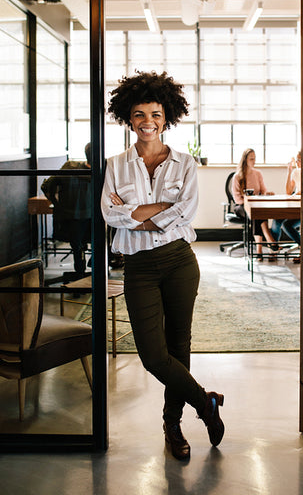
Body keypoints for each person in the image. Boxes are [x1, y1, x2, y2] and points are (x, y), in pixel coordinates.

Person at [101, 70, 224, 461]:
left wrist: (134, 213)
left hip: (178, 262)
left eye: (155, 114)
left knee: (179, 344)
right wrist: (159, 212)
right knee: (153, 355)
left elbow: (186, 212)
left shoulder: (185, 163)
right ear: (128, 119)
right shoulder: (115, 165)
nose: (147, 122)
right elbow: (109, 214)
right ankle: (205, 403)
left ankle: (173, 425)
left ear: (166, 117)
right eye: (139, 114)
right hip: (138, 265)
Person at [41, 143, 92, 277]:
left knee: (77, 244)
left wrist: (57, 204)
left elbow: (46, 186)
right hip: (90, 221)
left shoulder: (69, 167)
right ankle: (99, 262)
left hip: (69, 219)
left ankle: (80, 271)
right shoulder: (100, 172)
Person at [232, 148, 278, 260]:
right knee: (254, 213)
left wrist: (267, 193)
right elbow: (237, 198)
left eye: (255, 158)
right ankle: (267, 241)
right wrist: (249, 203)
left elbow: (263, 190)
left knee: (257, 213)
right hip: (241, 206)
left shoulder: (258, 174)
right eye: (251, 159)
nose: (254, 161)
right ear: (245, 160)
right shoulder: (237, 176)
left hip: (255, 206)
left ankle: (259, 250)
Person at [280, 151, 301, 245]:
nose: (297, 162)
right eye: (296, 160)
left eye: (299, 160)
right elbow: (288, 191)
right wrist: (289, 173)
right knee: (285, 225)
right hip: (298, 207)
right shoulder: (296, 172)